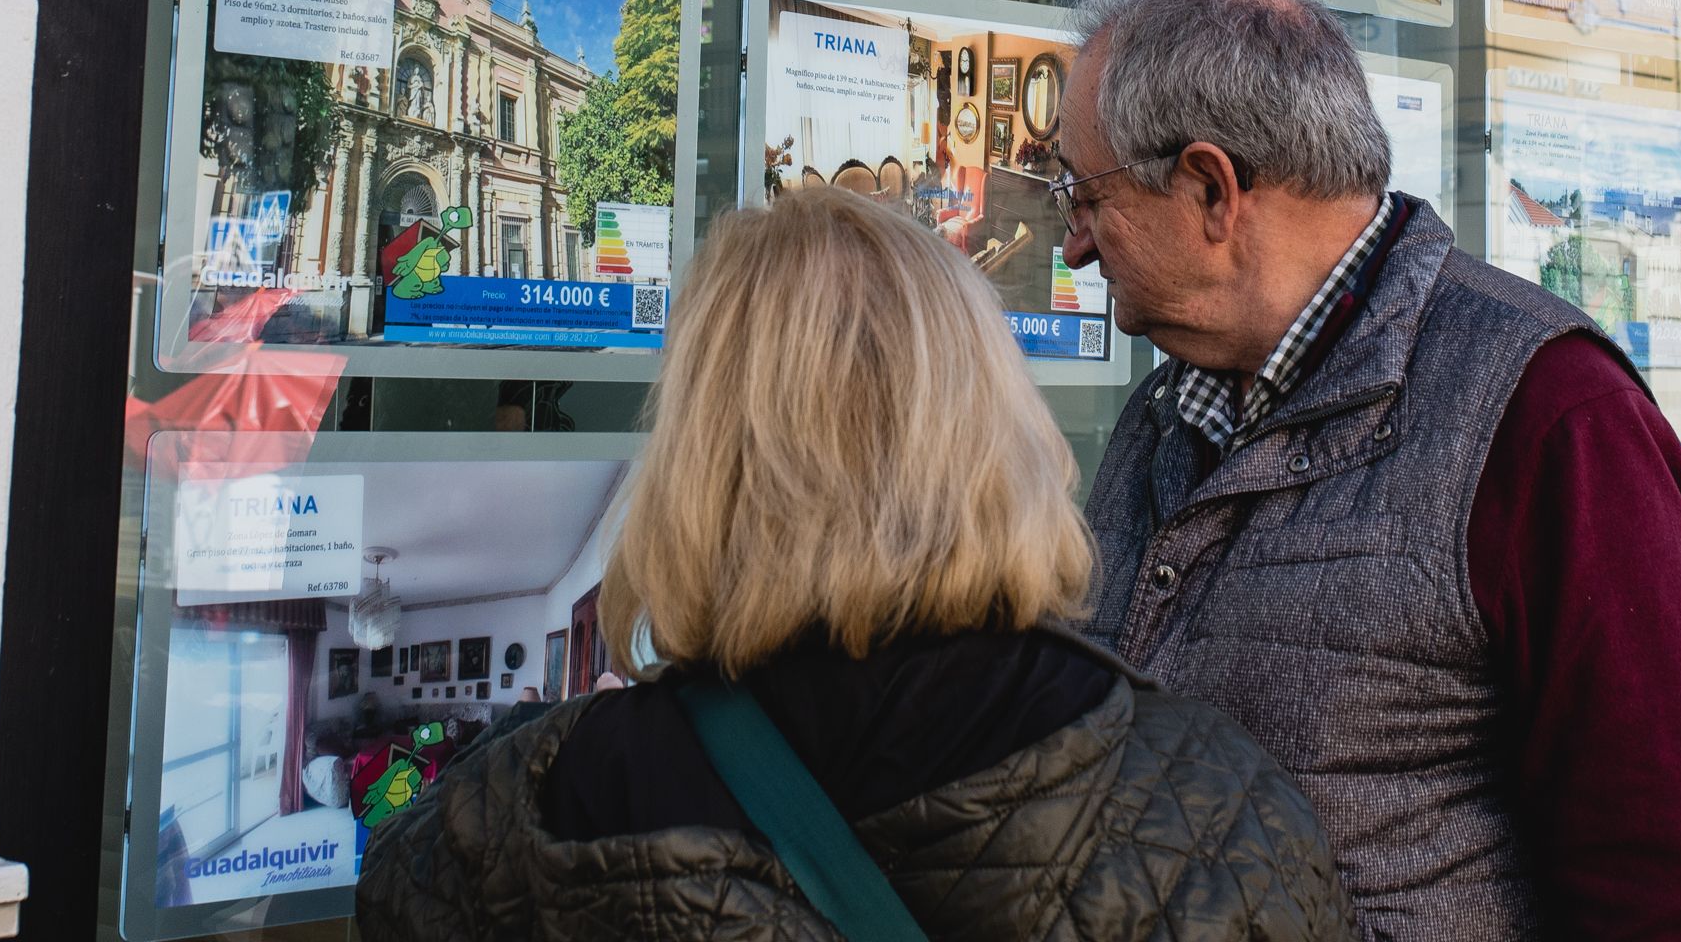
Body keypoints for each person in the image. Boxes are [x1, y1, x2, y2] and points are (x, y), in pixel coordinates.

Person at [358, 187, 1357, 942]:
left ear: (703, 450)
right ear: (992, 425)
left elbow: (403, 883)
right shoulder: (1212, 800)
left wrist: (586, 733)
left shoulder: (536, 811)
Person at [1057, 0, 1681, 940]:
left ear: (1211, 187)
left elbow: (1665, 891)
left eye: (1083, 194)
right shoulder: (1160, 414)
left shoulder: (1551, 414)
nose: (1074, 245)